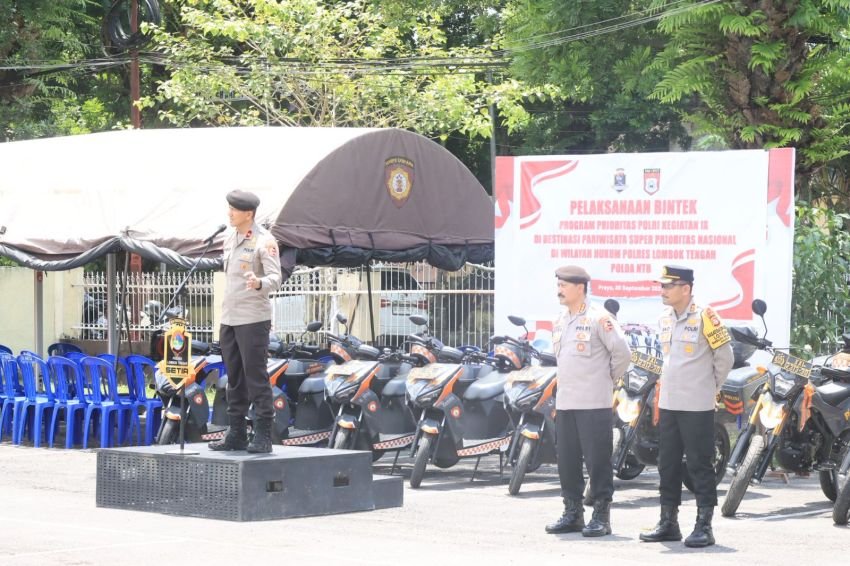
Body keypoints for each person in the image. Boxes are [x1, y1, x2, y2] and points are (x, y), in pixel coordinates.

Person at [639, 265, 733, 548]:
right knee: (667, 464)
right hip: (669, 403)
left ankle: (704, 525)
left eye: (668, 286)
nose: (663, 291)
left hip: (697, 405)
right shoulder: (664, 319)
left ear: (686, 288)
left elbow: (724, 358)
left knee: (699, 465)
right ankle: (668, 522)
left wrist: (709, 387)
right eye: (662, 286)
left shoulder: (706, 316)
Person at [545, 265, 631, 537]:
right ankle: (573, 513)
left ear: (580, 288)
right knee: (567, 461)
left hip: (594, 403)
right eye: (558, 284)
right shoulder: (560, 320)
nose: (559, 289)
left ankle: (601, 516)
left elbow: (623, 354)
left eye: (564, 285)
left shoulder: (599, 318)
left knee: (598, 462)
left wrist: (607, 380)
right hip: (567, 402)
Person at [209, 190, 282, 454]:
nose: (229, 213)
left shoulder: (265, 241)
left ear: (247, 214)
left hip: (253, 318)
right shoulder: (230, 239)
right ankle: (236, 432)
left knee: (255, 376)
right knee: (234, 377)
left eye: (233, 209)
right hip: (229, 318)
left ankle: (263, 434)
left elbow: (276, 276)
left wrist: (260, 282)